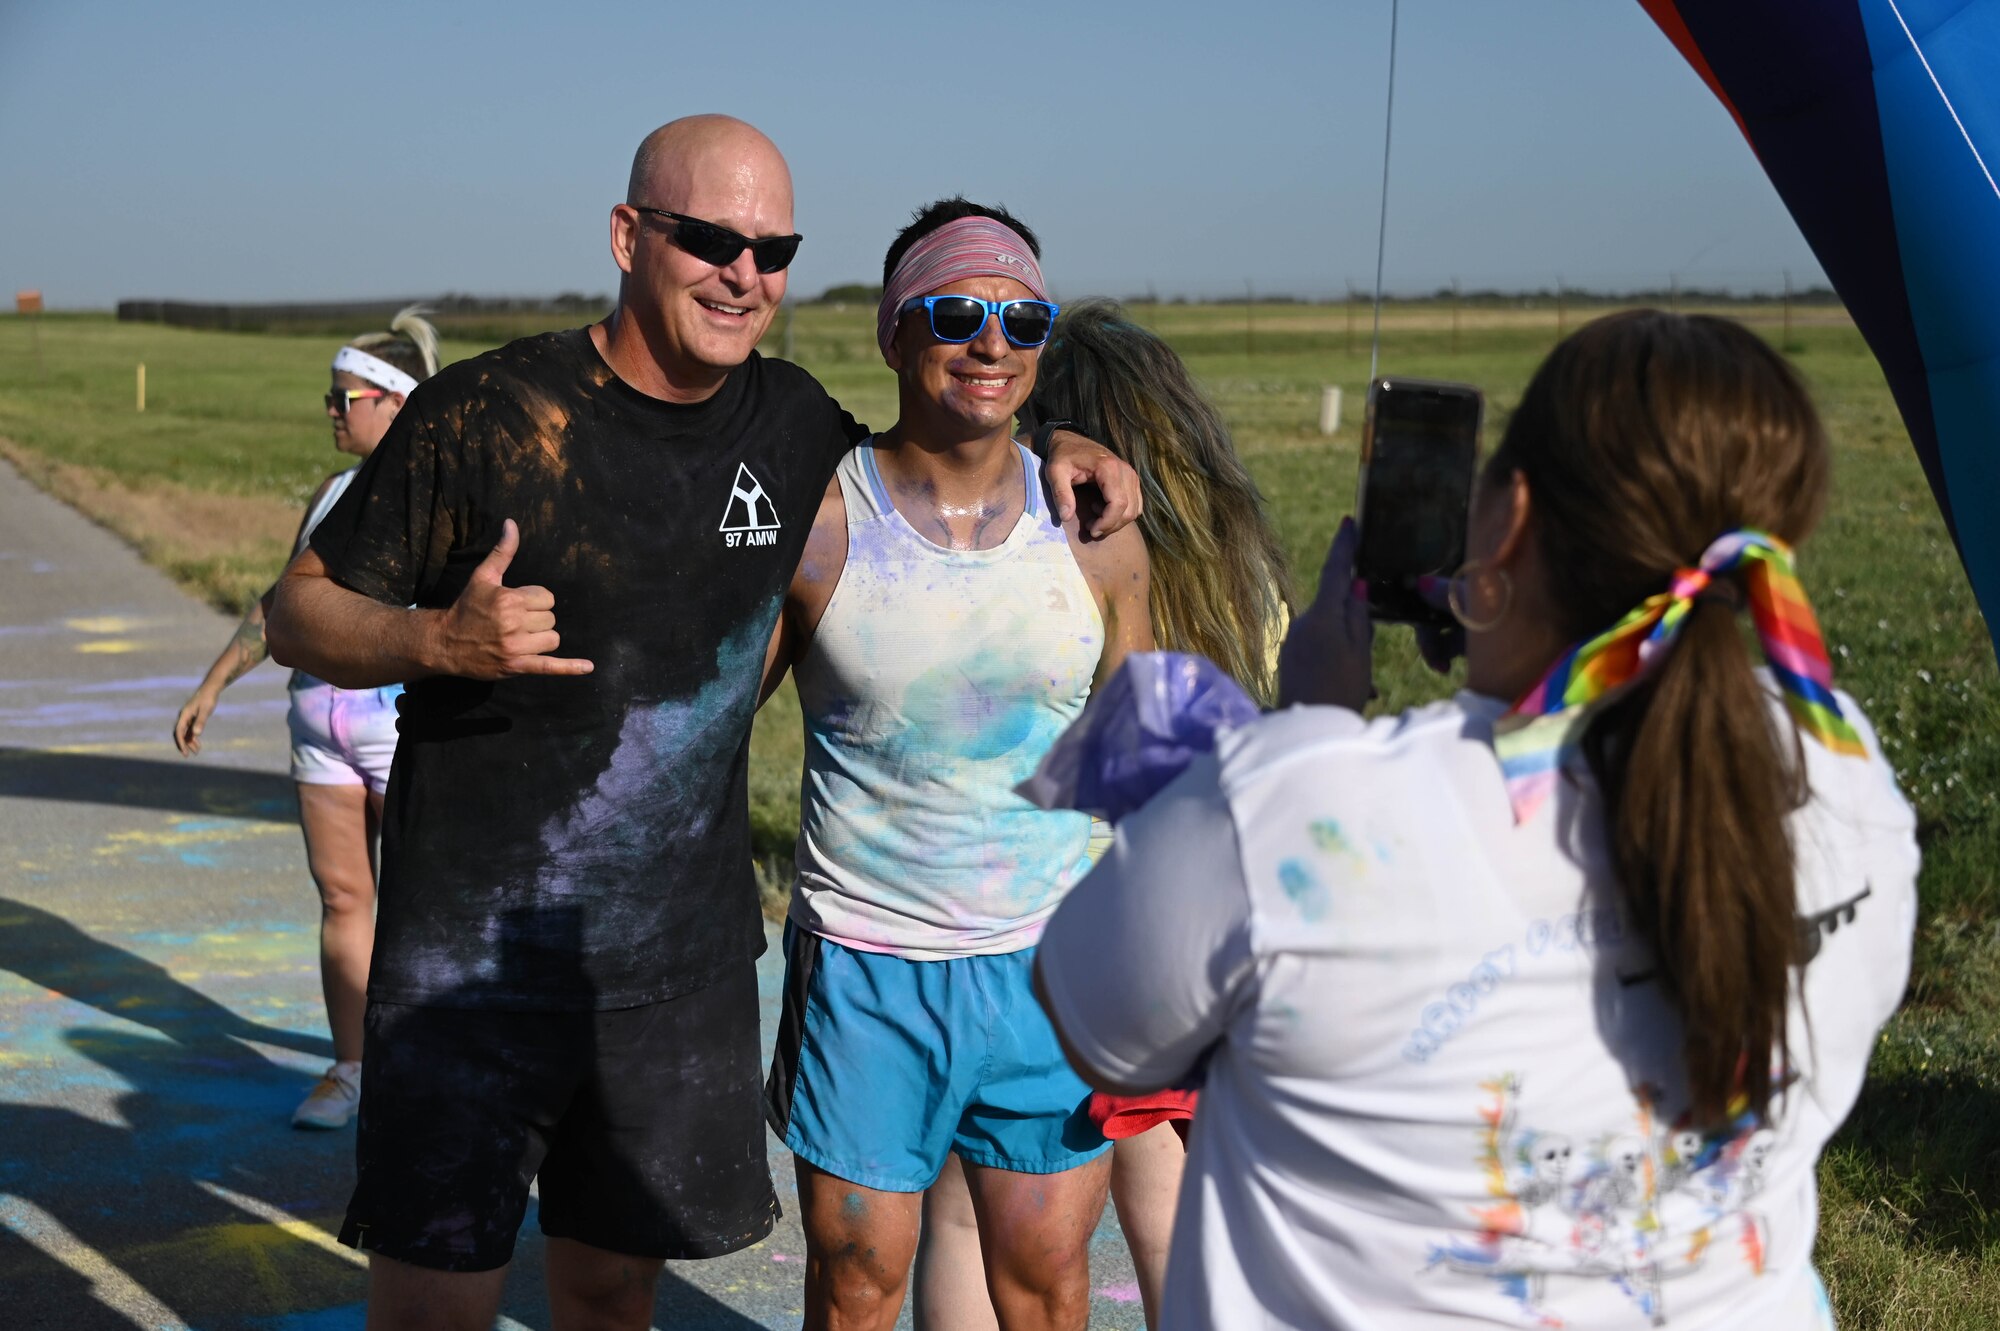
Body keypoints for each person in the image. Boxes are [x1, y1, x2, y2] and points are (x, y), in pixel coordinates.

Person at [264, 118, 1137, 1331]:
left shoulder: (792, 431)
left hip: (675, 980)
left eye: (771, 249)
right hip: (470, 965)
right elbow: (293, 608)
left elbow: (944, 441)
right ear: (628, 236)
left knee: (615, 1293)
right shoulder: (485, 411)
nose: (744, 273)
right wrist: (432, 641)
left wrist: (1062, 442)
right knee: (434, 1302)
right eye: (711, 239)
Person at [1035, 310, 1920, 1330]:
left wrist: (1304, 733)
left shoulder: (1308, 807)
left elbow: (1094, 1016)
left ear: (1508, 518)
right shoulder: (1840, 763)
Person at [758, 202, 1153, 1331]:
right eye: (957, 313)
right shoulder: (823, 521)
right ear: (894, 331)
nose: (991, 342)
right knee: (855, 1285)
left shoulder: (1094, 527)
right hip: (865, 970)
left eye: (1022, 321)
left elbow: (1134, 761)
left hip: (1047, 970)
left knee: (1045, 1282)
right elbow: (715, 723)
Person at [915, 298, 1294, 1331]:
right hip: (1206, 918)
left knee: (965, 1212)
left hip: (1047, 911)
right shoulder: (1241, 573)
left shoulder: (1045, 553)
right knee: (1173, 1209)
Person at [172, 307, 440, 1130]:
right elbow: (284, 599)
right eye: (331, 397)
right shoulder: (330, 493)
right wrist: (215, 681)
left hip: (401, 726)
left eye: (345, 397)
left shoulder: (435, 492)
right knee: (343, 896)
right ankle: (352, 1066)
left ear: (395, 401)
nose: (332, 410)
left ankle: (430, 1070)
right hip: (318, 729)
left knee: (426, 904)